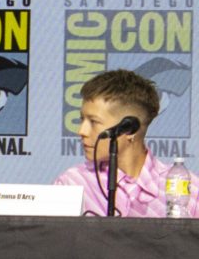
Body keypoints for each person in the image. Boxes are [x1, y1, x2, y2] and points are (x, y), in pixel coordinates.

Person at [54, 69, 198, 217]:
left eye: (94, 122)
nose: (81, 131)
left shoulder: (190, 189)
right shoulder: (72, 183)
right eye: (82, 120)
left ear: (129, 129)